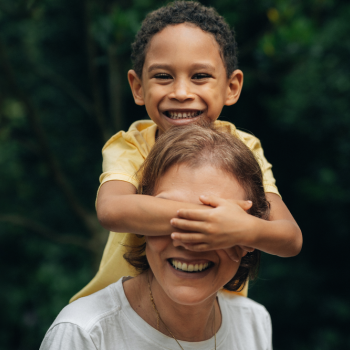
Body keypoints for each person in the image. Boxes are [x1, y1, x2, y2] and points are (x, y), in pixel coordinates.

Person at [70, 1, 302, 302]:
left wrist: (244, 227)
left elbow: (289, 237)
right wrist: (217, 220)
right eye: (163, 76)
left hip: (212, 318)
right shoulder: (132, 144)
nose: (180, 93)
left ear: (231, 86)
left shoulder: (246, 148)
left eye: (200, 76)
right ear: (138, 86)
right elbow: (113, 210)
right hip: (124, 317)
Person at [41, 124, 272, 350]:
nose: (189, 242)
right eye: (166, 215)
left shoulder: (254, 323)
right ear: (139, 223)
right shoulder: (84, 333)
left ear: (249, 239)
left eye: (218, 225)